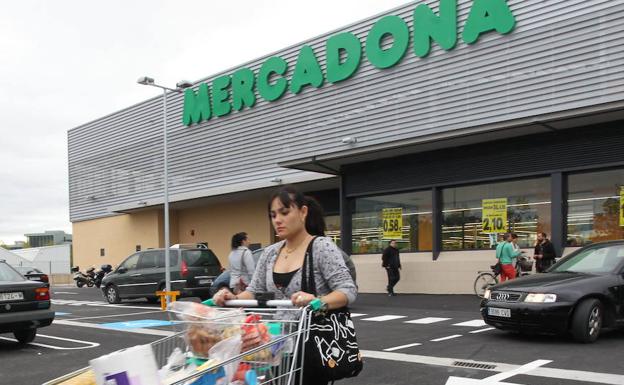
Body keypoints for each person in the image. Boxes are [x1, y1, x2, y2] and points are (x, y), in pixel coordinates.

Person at [212, 186, 356, 385]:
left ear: (303, 212)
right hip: (276, 347)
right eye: (273, 215)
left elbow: (347, 290)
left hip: (312, 347)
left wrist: (317, 301)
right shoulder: (270, 253)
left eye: (284, 212)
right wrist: (232, 297)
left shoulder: (321, 247)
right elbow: (254, 290)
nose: (277, 220)